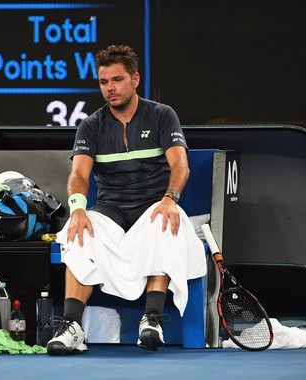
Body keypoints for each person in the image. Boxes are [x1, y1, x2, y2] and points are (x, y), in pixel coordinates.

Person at [46, 45, 207, 355]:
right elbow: (79, 176)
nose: (110, 89)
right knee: (77, 232)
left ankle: (152, 319)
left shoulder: (162, 115)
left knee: (165, 221)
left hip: (154, 204)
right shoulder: (91, 125)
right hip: (112, 209)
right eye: (104, 82)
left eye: (117, 80)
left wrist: (170, 199)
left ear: (135, 79)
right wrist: (78, 211)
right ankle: (72, 326)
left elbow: (180, 166)